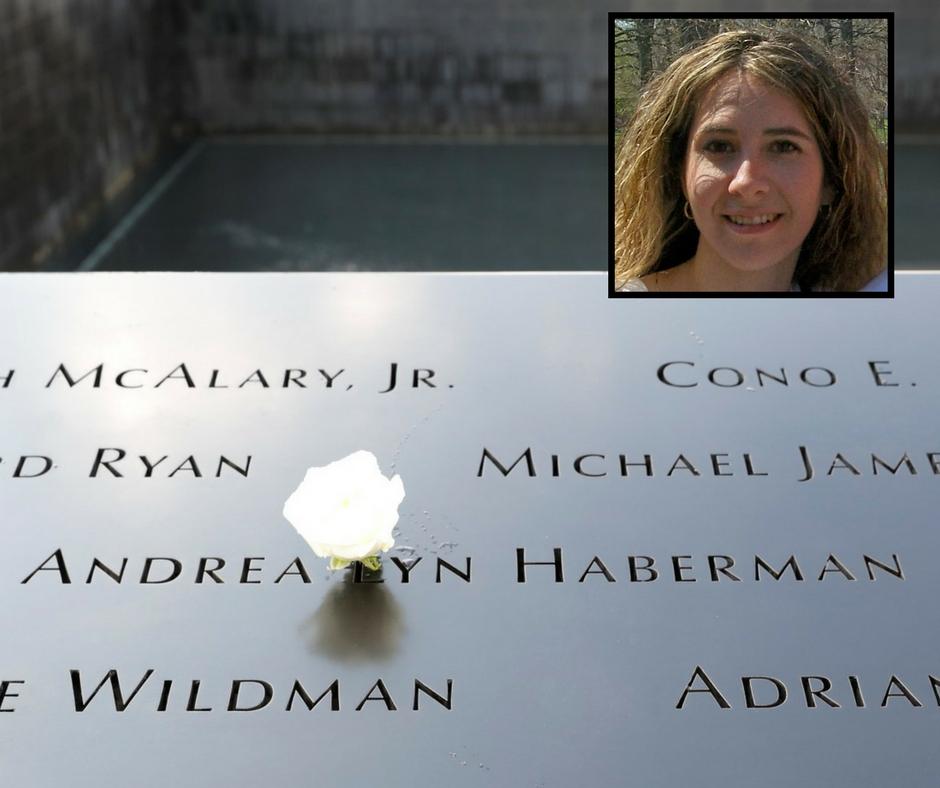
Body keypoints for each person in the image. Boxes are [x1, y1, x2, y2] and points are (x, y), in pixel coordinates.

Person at [613, 29, 887, 293]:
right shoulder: (607, 321)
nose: (746, 182)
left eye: (783, 147)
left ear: (832, 180)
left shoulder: (860, 326)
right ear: (677, 172)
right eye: (719, 146)